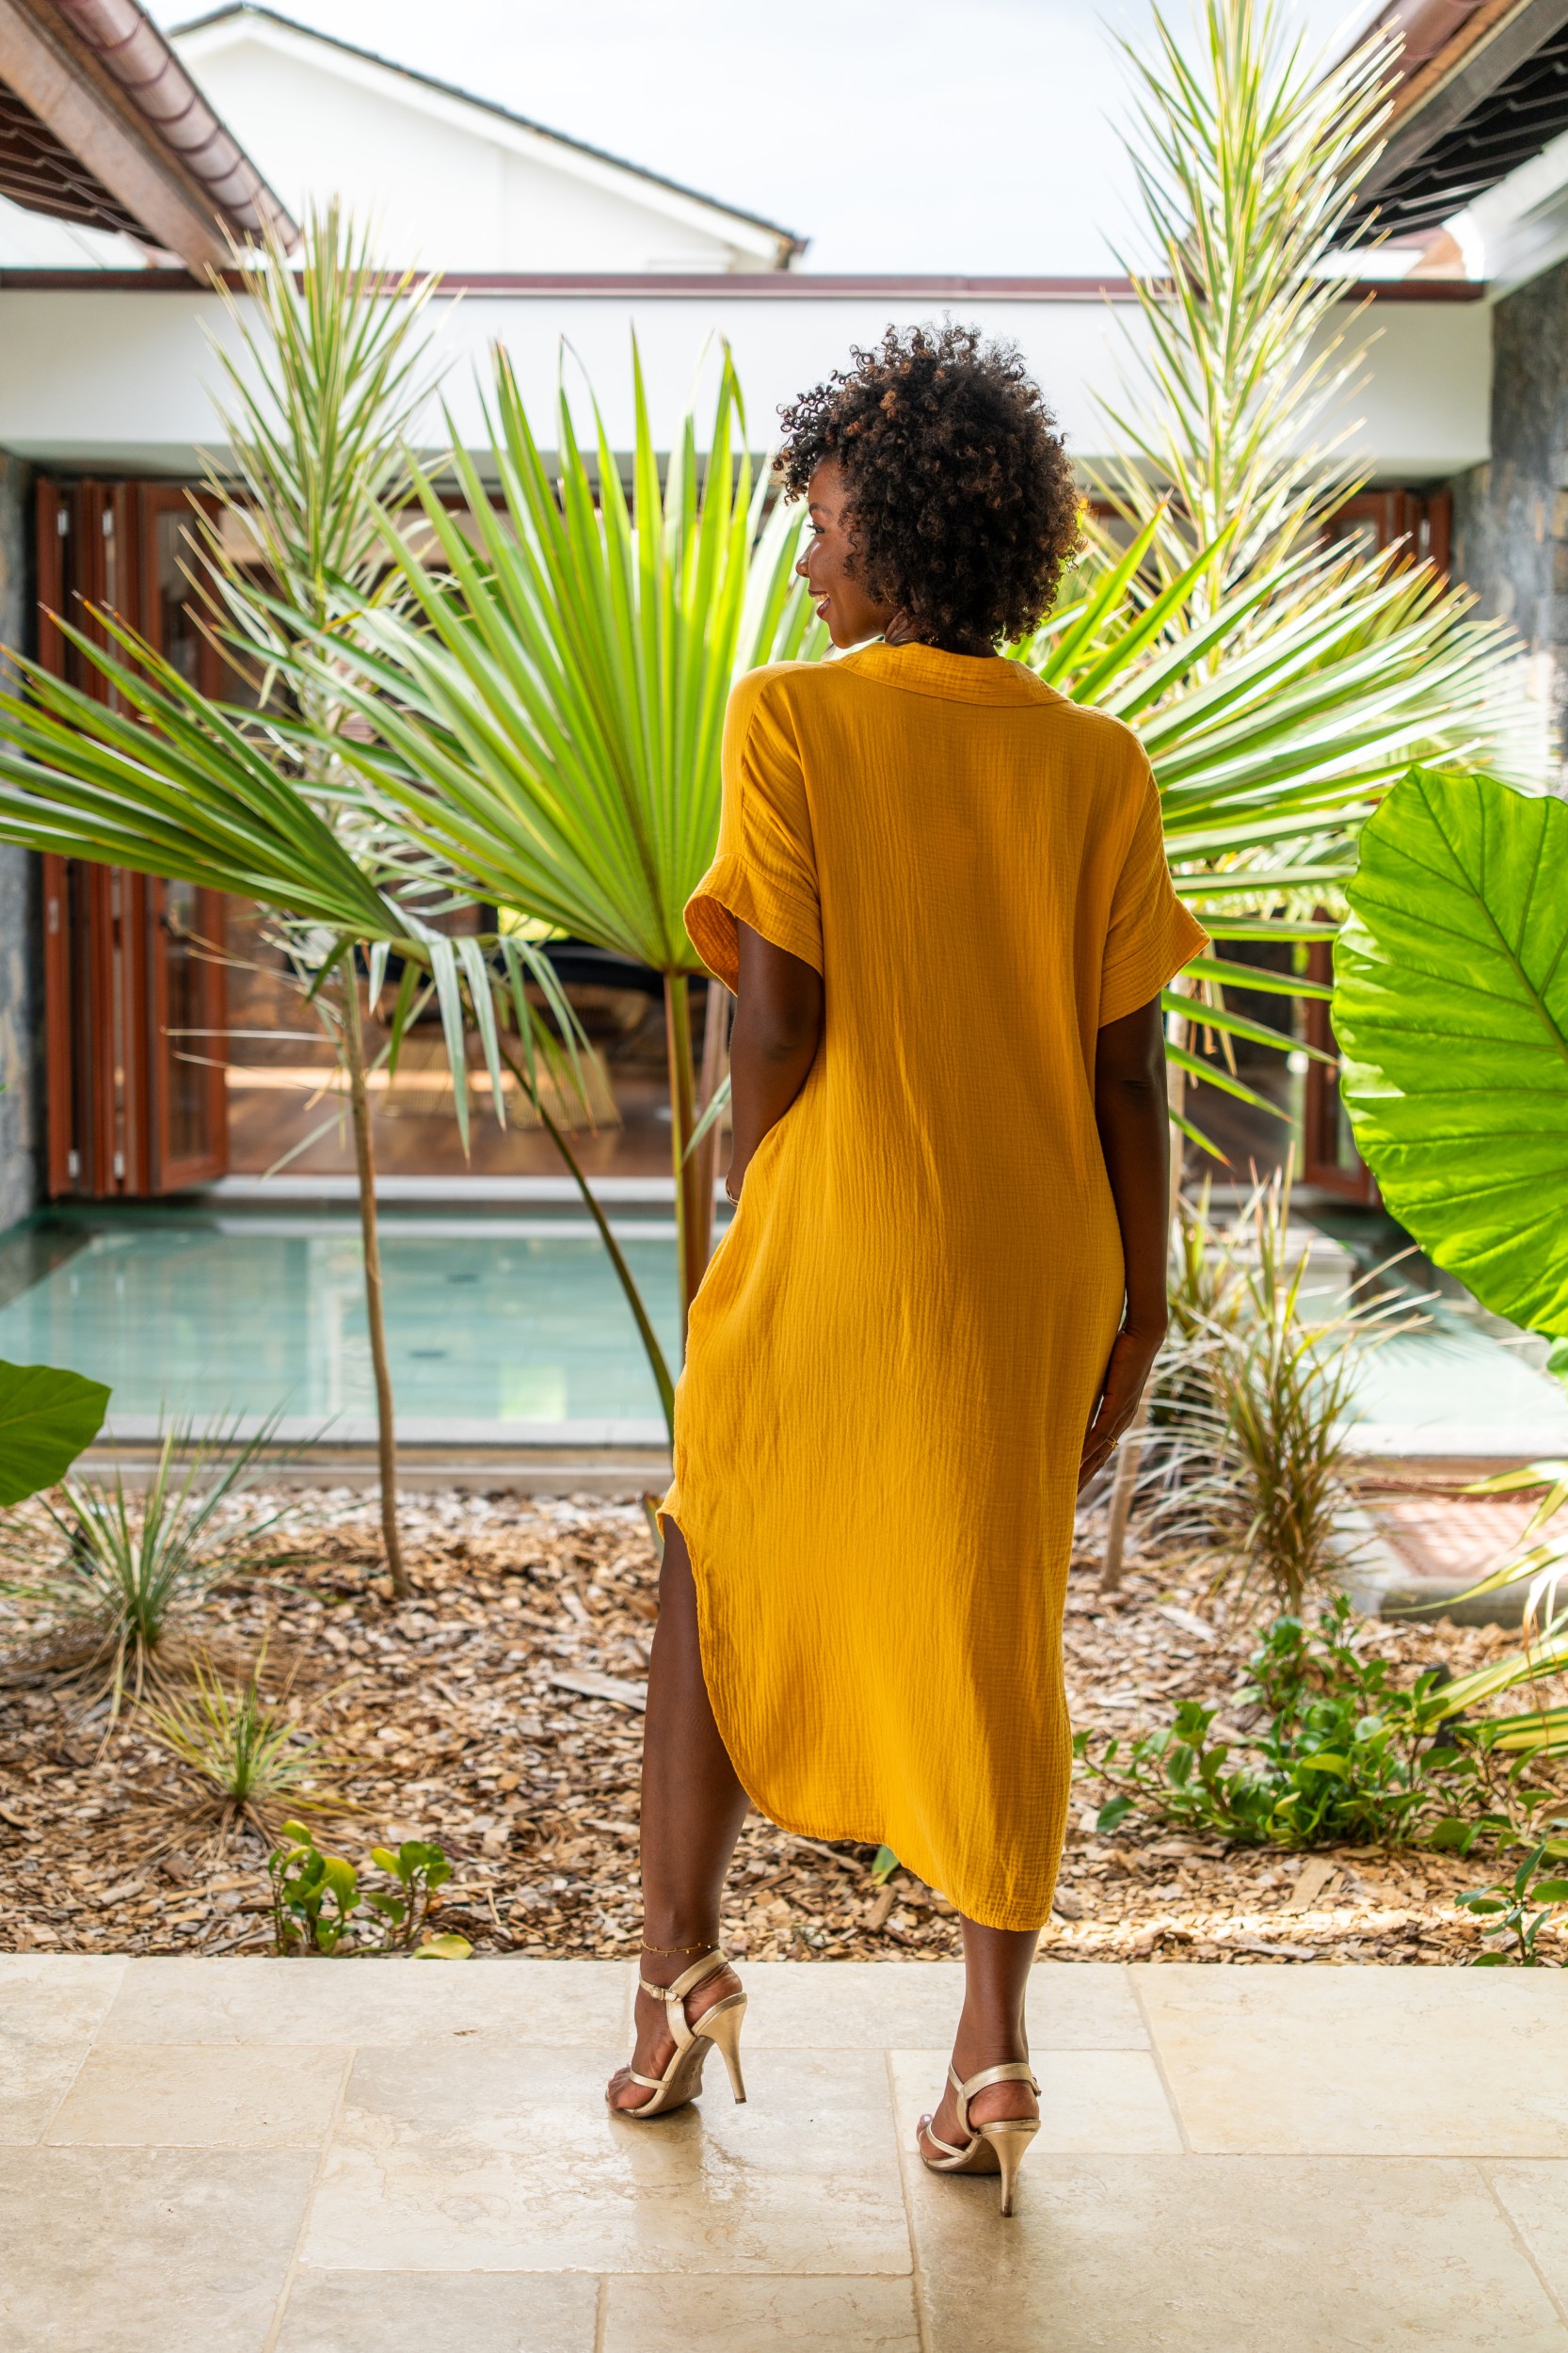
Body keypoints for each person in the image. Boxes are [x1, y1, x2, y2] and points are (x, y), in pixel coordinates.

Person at [606, 322, 1207, 2217]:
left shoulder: (788, 716)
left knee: (714, 1554)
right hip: (1038, 1253)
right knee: (990, 1614)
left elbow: (771, 1020)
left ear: (874, 525)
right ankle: (989, 2049)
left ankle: (675, 1977)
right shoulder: (1095, 762)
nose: (802, 556)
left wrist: (753, 1205)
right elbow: (1128, 1067)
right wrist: (1144, 1291)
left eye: (816, 520)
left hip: (841, 1218)